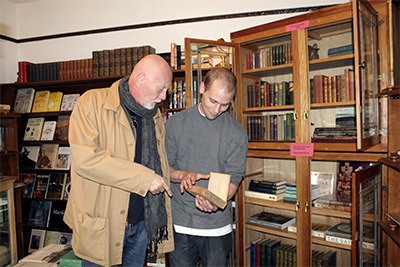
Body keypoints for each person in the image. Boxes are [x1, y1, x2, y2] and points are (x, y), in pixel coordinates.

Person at [64, 54, 174, 267]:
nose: (164, 96)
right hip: (104, 224)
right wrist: (145, 178)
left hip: (142, 223)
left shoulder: (155, 115)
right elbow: (86, 160)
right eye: (161, 88)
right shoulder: (91, 103)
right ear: (140, 78)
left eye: (166, 90)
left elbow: (159, 163)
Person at [165, 67, 248, 267]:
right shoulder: (175, 124)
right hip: (180, 223)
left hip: (217, 228)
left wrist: (216, 201)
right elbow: (163, 169)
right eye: (213, 101)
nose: (217, 110)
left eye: (225, 105)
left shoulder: (237, 134)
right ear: (202, 88)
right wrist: (182, 175)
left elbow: (234, 178)